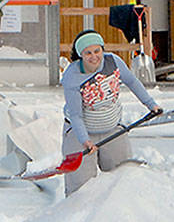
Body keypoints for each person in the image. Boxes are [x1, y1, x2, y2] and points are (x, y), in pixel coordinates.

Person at [60, 30, 161, 195]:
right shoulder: (72, 76)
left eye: (97, 51)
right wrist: (85, 140)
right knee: (81, 189)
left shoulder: (113, 61)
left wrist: (151, 105)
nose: (94, 57)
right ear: (80, 55)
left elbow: (132, 81)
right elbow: (76, 115)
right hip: (80, 134)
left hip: (112, 129)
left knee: (122, 180)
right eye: (88, 53)